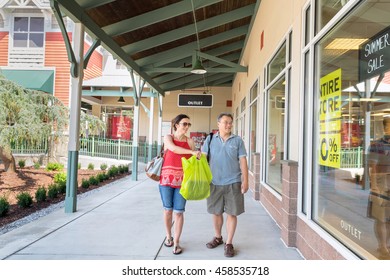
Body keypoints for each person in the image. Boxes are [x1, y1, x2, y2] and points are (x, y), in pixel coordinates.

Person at [201, 112, 248, 257]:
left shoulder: (238, 141)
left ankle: (229, 242)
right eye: (225, 122)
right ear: (218, 124)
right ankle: (218, 237)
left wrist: (245, 180)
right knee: (216, 212)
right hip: (214, 182)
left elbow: (243, 161)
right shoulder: (209, 139)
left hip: (233, 181)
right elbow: (202, 159)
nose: (229, 125)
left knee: (232, 213)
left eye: (230, 122)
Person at [159, 114, 201, 255]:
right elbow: (173, 149)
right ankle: (168, 236)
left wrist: (199, 156)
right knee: (167, 210)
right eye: (184, 124)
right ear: (176, 125)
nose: (187, 127)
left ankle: (176, 242)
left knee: (179, 212)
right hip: (166, 180)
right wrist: (191, 152)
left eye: (189, 124)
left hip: (183, 182)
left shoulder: (190, 141)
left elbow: (194, 162)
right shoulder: (168, 138)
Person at [368, 117, 390, 260]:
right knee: (380, 217)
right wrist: (374, 187)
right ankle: (382, 245)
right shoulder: (376, 145)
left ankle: (386, 245)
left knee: (389, 218)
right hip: (381, 184)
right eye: (388, 125)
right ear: (384, 127)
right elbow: (372, 168)